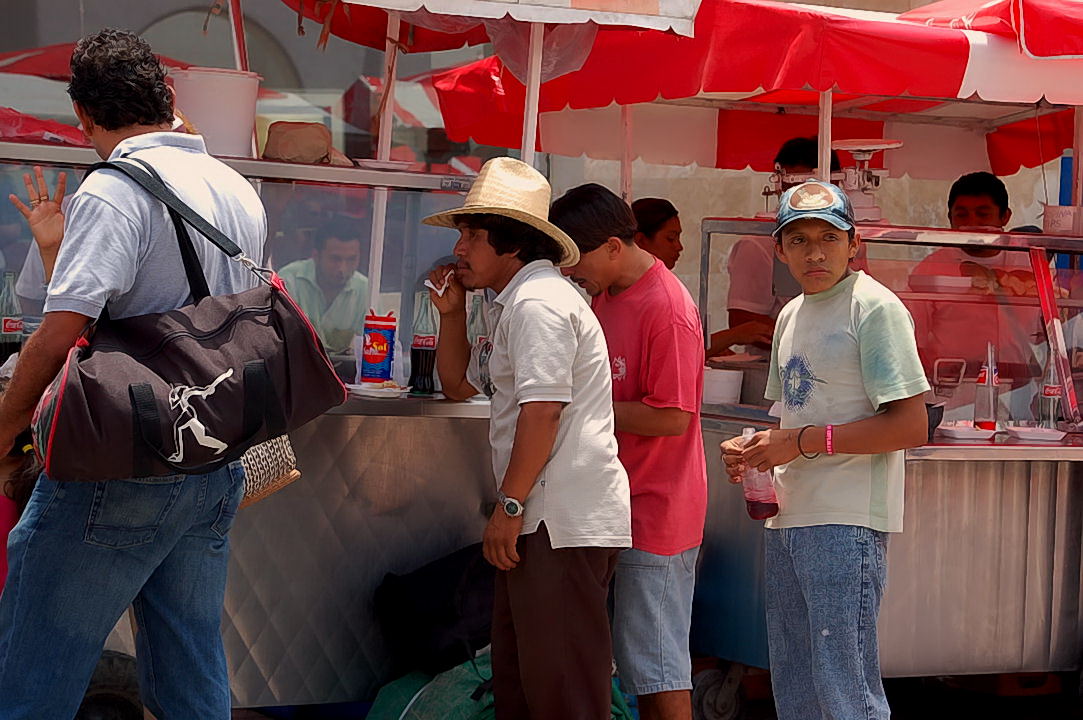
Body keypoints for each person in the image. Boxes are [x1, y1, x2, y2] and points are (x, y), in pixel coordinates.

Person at [0, 30, 266, 719]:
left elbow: (62, 333)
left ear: (84, 119)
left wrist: (3, 427)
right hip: (213, 459)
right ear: (168, 98)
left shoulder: (113, 190)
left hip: (122, 462)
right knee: (189, 666)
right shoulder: (235, 187)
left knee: (34, 669)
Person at [424, 157, 631, 720]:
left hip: (556, 521)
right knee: (521, 685)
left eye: (472, 234)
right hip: (541, 519)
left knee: (563, 693)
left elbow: (543, 413)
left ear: (512, 244)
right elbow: (456, 385)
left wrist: (508, 507)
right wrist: (451, 314)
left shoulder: (539, 304)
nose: (459, 248)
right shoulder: (514, 302)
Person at [720, 180, 929, 720]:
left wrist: (803, 442)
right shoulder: (790, 314)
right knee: (797, 689)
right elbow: (792, 415)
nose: (815, 252)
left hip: (846, 520)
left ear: (853, 243)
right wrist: (752, 448)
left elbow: (911, 424)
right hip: (789, 516)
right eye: (799, 240)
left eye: (828, 237)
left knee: (846, 693)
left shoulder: (875, 308)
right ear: (779, 249)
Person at [551, 184, 707, 720]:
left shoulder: (668, 308)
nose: (571, 271)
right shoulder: (603, 296)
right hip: (608, 506)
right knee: (624, 664)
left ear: (615, 245)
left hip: (657, 514)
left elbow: (673, 415)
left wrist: (583, 407)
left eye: (577, 258)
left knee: (657, 670)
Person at [909, 172, 1040, 397]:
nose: (972, 224)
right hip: (951, 392)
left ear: (1005, 217)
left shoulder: (1029, 262)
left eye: (982, 214)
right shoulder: (931, 269)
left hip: (1020, 391)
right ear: (950, 218)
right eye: (962, 215)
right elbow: (912, 340)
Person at [725, 137, 842, 356]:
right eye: (793, 191)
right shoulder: (758, 245)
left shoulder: (847, 239)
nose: (801, 201)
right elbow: (742, 320)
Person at [278, 217, 369, 354]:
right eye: (335, 259)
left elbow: (374, 345)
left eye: (351, 259)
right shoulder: (289, 280)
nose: (342, 269)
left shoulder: (365, 289)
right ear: (316, 255)